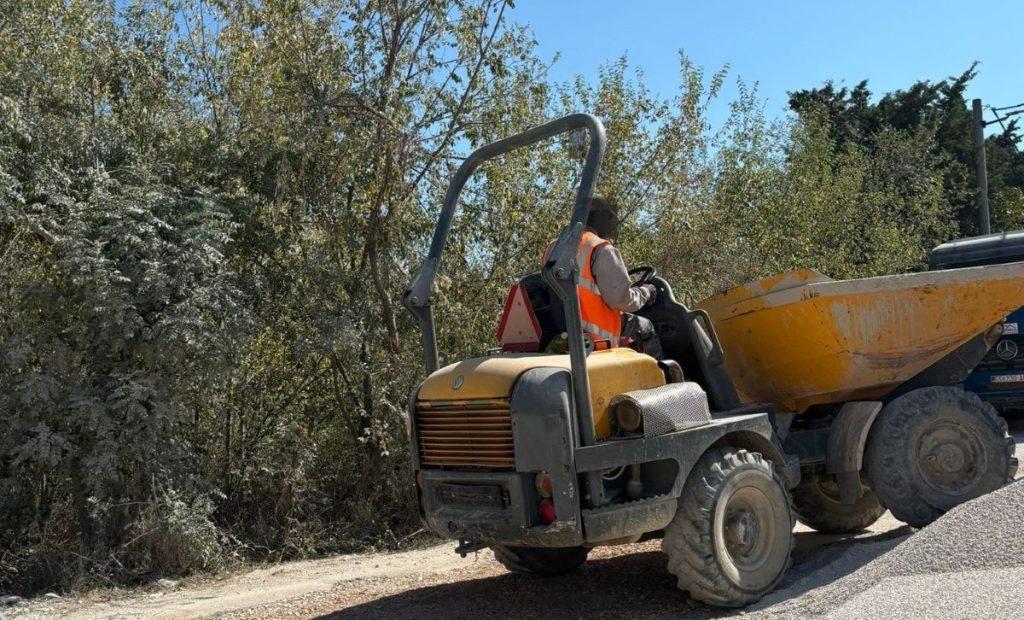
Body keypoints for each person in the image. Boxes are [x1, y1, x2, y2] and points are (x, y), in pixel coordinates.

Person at [543, 196, 662, 357]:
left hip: (568, 331)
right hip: (596, 339)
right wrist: (646, 292)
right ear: (602, 219)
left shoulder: (554, 247)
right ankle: (664, 378)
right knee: (645, 326)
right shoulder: (601, 249)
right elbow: (622, 300)